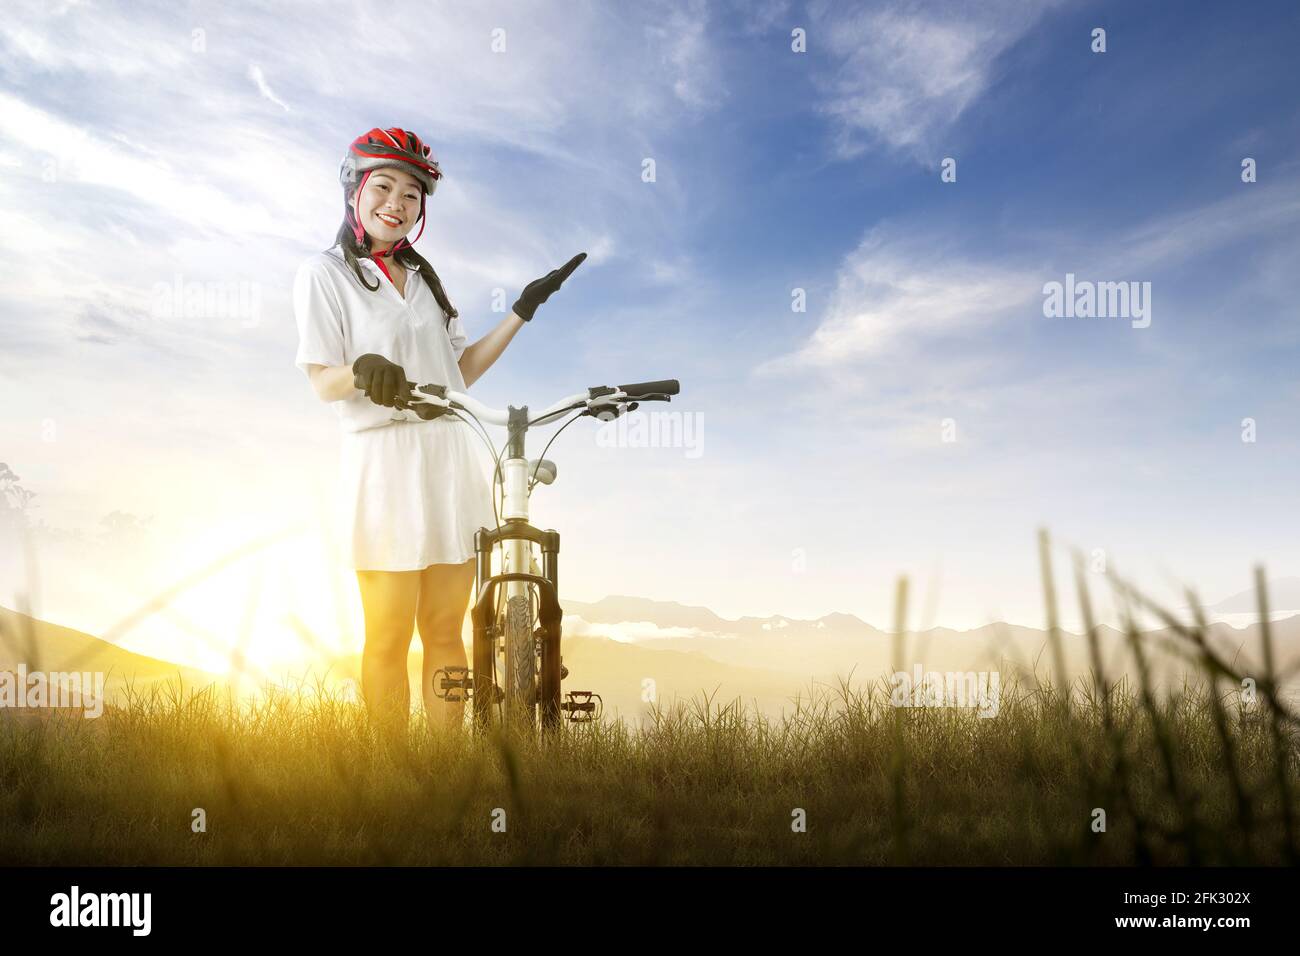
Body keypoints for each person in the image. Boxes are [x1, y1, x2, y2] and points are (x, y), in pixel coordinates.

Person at [293, 127, 585, 743]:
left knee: (448, 629)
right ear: (355, 189)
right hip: (384, 462)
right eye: (384, 187)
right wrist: (361, 371)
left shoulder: (425, 281)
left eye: (412, 195)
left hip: (449, 457)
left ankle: (447, 764)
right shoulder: (325, 275)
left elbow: (461, 372)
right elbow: (322, 380)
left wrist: (522, 311)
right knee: (389, 634)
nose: (397, 204)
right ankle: (394, 772)